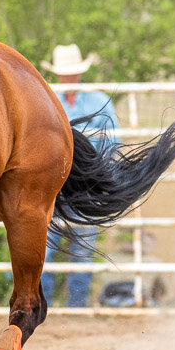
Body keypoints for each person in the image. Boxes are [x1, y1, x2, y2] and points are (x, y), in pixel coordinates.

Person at [38, 44, 120, 308]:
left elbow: (114, 142)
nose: (69, 77)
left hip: (86, 184)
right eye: (65, 73)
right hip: (54, 185)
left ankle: (77, 307)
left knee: (82, 251)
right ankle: (43, 307)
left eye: (72, 73)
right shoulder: (46, 98)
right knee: (44, 250)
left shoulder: (98, 100)